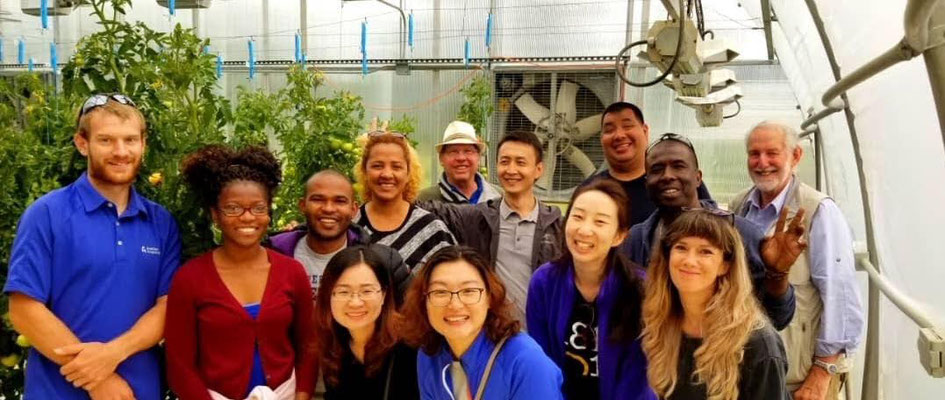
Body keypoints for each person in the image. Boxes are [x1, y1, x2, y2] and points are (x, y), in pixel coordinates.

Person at [5, 93, 180, 400]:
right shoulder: (47, 213)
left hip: (137, 392)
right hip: (57, 393)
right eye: (106, 140)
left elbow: (167, 308)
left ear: (143, 144)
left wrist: (112, 354)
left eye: (130, 140)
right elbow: (24, 309)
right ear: (82, 144)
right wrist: (98, 380)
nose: (121, 151)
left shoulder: (160, 222)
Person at [165, 145, 316, 400]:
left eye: (258, 208)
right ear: (215, 214)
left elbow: (308, 346)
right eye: (233, 208)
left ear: (268, 213)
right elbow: (180, 366)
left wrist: (301, 395)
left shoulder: (292, 272)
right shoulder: (190, 279)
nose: (247, 217)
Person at [730, 121, 863, 399]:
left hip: (799, 377)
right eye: (754, 154)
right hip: (752, 369)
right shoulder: (739, 207)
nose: (762, 162)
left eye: (772, 153)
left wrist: (823, 370)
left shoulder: (817, 210)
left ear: (796, 156)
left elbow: (840, 295)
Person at [621, 133, 804, 330]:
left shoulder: (740, 234)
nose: (668, 175)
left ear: (698, 178)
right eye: (657, 169)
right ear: (647, 183)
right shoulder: (636, 240)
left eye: (678, 166)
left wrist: (777, 274)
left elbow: (777, 319)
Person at [527, 178, 655, 400]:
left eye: (600, 222)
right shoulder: (544, 282)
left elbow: (639, 376)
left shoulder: (641, 289)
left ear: (620, 235)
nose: (585, 230)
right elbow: (542, 361)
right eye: (577, 216)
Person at [641, 209, 790, 400]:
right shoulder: (657, 325)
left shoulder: (757, 343)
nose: (689, 261)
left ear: (725, 265)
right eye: (681, 248)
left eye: (705, 251)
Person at [417, 130, 563, 320]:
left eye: (520, 162)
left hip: (540, 338)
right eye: (504, 161)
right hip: (490, 335)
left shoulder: (558, 226)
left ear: (538, 169)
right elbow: (425, 208)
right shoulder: (479, 217)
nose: (511, 170)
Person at [402, 246, 564, 400]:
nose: (455, 304)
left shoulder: (527, 362)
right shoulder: (429, 354)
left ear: (490, 297)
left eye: (469, 291)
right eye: (440, 292)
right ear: (424, 301)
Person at [268, 170, 411, 304]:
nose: (328, 208)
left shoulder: (383, 262)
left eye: (340, 201)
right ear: (303, 205)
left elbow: (412, 315)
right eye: (318, 199)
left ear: (354, 209)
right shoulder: (271, 255)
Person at [312, 245, 419, 399]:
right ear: (328, 296)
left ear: (383, 295)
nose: (355, 302)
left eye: (366, 291)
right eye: (343, 292)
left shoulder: (410, 347)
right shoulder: (334, 347)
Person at [582, 102, 710, 226]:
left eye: (627, 126)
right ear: (601, 139)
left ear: (645, 131)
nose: (619, 135)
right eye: (609, 130)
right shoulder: (590, 190)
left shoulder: (682, 181)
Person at [353, 128, 455, 272]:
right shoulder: (351, 226)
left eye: (396, 166)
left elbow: (453, 280)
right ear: (364, 171)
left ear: (408, 173)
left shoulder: (431, 229)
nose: (387, 174)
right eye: (377, 166)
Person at [418, 121, 501, 204]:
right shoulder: (424, 200)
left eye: (468, 151)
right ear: (441, 159)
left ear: (478, 157)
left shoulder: (500, 197)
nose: (461, 158)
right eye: (453, 152)